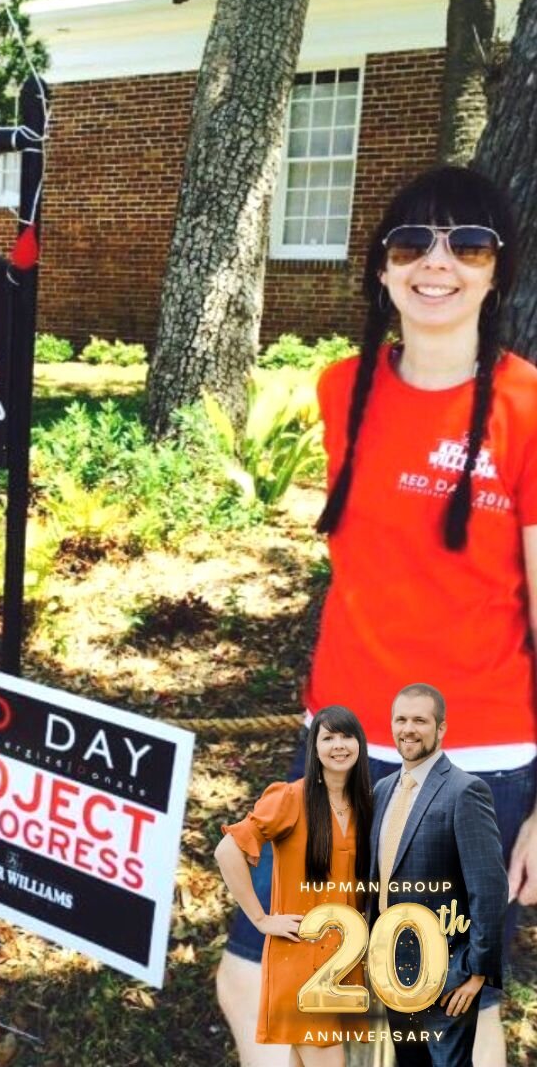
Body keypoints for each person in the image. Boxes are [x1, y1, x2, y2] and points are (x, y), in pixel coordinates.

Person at [216, 165, 537, 1067]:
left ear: (496, 272)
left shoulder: (527, 407)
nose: (438, 264)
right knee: (268, 986)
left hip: (475, 761)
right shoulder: (341, 388)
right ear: (384, 270)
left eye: (467, 245)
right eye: (412, 244)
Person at [215, 706, 373, 1067]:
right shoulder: (291, 799)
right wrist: (261, 918)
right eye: (329, 740)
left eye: (346, 741)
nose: (339, 750)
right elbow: (228, 850)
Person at [371, 684, 508, 1066]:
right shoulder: (382, 791)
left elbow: (490, 889)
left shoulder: (465, 792)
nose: (408, 729)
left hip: (449, 970)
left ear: (441, 728)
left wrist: (477, 973)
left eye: (420, 720)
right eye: (401, 719)